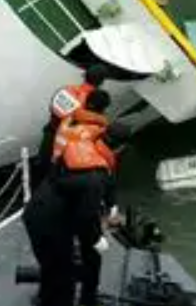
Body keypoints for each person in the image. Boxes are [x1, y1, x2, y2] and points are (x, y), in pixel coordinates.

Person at [24, 89, 128, 306]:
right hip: (50, 221)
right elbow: (86, 215)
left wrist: (112, 205)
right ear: (119, 148)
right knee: (63, 279)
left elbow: (96, 180)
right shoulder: (94, 178)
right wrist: (96, 239)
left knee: (54, 268)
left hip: (42, 207)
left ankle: (48, 296)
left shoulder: (82, 142)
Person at [36, 65, 110, 183]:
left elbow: (54, 107)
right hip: (67, 146)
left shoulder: (66, 90)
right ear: (101, 82)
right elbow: (81, 118)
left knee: (41, 165)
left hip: (49, 134)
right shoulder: (93, 101)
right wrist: (101, 119)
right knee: (55, 174)